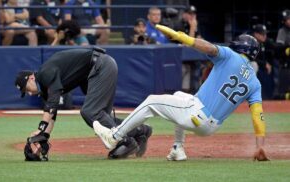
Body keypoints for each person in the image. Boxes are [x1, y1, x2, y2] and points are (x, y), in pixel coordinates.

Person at [93, 25, 270, 162]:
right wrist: (260, 147)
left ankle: (114, 136)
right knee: (179, 95)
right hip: (210, 127)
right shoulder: (255, 83)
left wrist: (182, 38)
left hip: (196, 113)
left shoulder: (230, 55)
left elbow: (209, 48)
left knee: (150, 101)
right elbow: (258, 117)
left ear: (241, 47)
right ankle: (178, 149)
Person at [15, 47, 152, 161]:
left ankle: (125, 141)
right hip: (98, 68)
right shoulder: (45, 88)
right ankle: (140, 130)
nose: (28, 93)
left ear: (31, 78)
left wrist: (40, 128)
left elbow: (52, 103)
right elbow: (52, 113)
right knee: (101, 116)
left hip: (100, 66)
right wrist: (44, 135)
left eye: (25, 88)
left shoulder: (44, 73)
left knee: (90, 112)